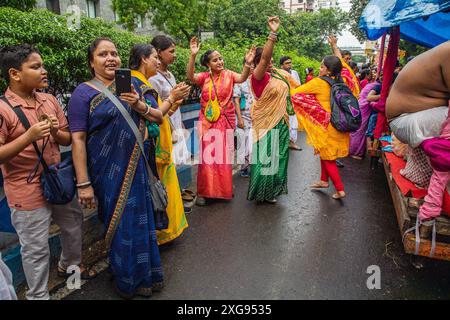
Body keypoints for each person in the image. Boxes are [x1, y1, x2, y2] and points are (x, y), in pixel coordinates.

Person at [68, 38, 164, 299]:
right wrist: (83, 182)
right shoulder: (83, 93)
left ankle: (146, 276)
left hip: (137, 169)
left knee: (140, 222)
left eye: (114, 53)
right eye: (102, 54)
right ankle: (126, 279)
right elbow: (78, 139)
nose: (111, 58)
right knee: (119, 224)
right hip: (106, 172)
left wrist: (138, 105)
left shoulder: (133, 85)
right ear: (91, 62)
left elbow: (158, 117)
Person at [0, 44, 92, 300]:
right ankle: (38, 296)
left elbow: (66, 140)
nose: (44, 70)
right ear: (15, 74)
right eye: (35, 66)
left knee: (74, 227)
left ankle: (69, 270)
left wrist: (53, 131)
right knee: (36, 250)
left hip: (58, 182)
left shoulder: (49, 99)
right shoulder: (3, 109)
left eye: (42, 65)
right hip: (25, 191)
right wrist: (29, 136)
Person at [129, 43, 191, 245]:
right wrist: (172, 98)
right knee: (158, 191)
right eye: (155, 57)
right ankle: (160, 235)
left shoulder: (142, 83)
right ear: (143, 59)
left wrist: (175, 102)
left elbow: (160, 116)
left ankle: (165, 233)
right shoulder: (136, 85)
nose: (158, 61)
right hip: (151, 150)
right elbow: (153, 116)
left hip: (159, 146)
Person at [187, 36, 255, 206]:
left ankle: (221, 191)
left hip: (225, 120)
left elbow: (242, 77)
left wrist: (247, 63)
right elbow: (190, 76)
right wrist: (193, 55)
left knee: (223, 156)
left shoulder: (229, 74)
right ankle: (204, 192)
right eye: (215, 60)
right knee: (208, 157)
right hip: (207, 121)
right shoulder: (204, 77)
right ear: (208, 64)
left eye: (220, 58)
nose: (219, 62)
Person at [291, 56, 350, 199]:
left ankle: (340, 190)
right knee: (325, 154)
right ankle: (324, 181)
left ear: (329, 70)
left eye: (322, 67)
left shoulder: (318, 82)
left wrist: (311, 106)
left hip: (327, 126)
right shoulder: (341, 81)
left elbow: (295, 92)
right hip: (339, 124)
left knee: (329, 159)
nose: (319, 69)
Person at [247, 16, 291, 204]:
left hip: (280, 122)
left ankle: (271, 190)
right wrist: (273, 33)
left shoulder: (275, 75)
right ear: (258, 63)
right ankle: (261, 192)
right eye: (267, 60)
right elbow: (264, 58)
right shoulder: (258, 76)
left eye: (272, 59)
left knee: (278, 158)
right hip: (266, 123)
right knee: (266, 158)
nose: (270, 61)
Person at [149, 35, 191, 165]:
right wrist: (174, 99)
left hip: (176, 125)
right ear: (159, 53)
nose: (175, 55)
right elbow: (157, 110)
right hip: (165, 129)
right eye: (171, 51)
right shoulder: (153, 78)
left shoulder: (170, 74)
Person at [349, 79, 381, 159]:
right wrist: (383, 95)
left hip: (360, 105)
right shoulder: (378, 86)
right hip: (363, 107)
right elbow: (369, 98)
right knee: (360, 131)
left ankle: (353, 150)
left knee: (357, 130)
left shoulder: (372, 84)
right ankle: (355, 152)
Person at [233, 60, 254, 178]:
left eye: (253, 66)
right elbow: (236, 101)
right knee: (242, 144)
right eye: (249, 66)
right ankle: (243, 168)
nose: (251, 68)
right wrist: (239, 119)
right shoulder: (239, 81)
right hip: (243, 116)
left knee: (251, 144)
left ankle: (251, 165)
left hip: (255, 117)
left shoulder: (256, 81)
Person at [279, 56, 302, 151]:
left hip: (293, 101)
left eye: (290, 63)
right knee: (284, 122)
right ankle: (283, 142)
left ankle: (291, 142)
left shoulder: (294, 73)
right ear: (281, 66)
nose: (289, 65)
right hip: (282, 101)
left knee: (293, 122)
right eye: (287, 63)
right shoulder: (279, 74)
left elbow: (298, 86)